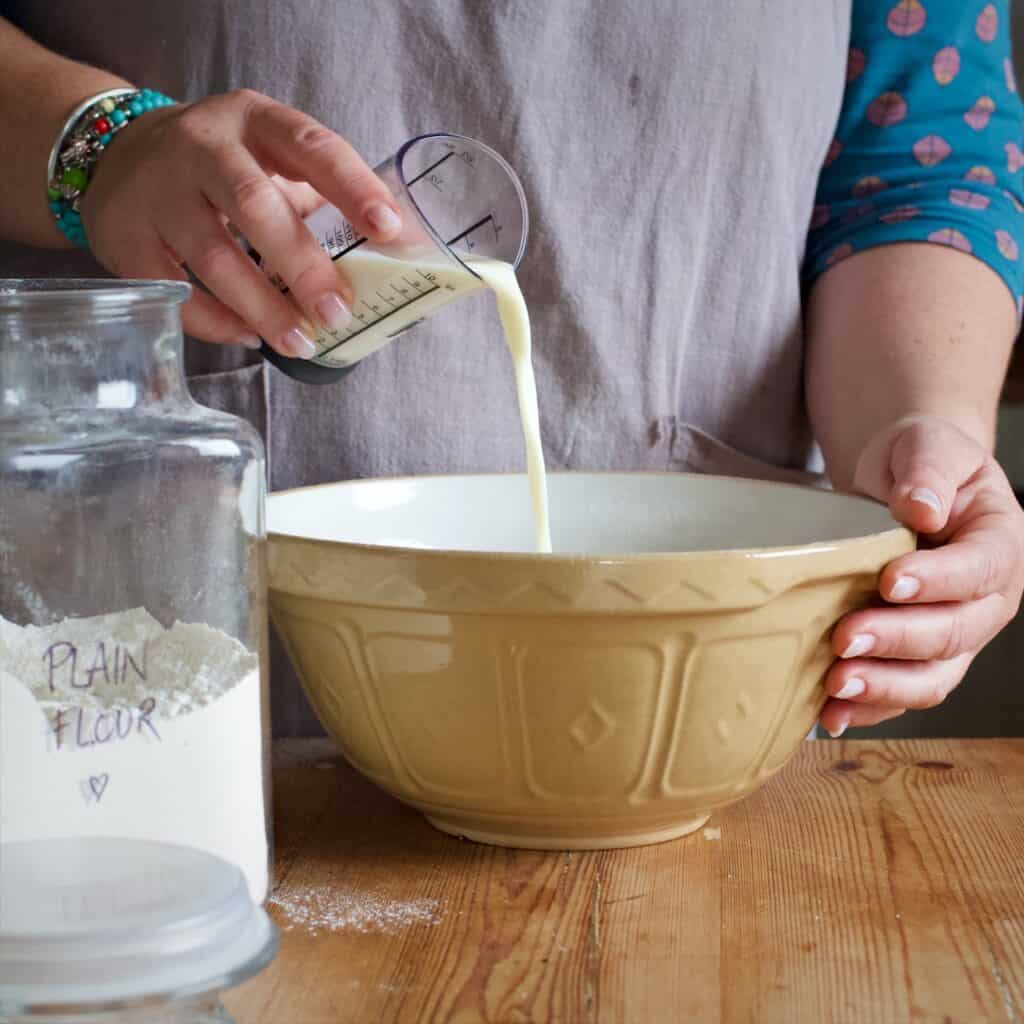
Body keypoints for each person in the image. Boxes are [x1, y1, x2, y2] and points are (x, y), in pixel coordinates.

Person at [1, 1, 1022, 739]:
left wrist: (918, 424)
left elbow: (916, 160)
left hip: (709, 702)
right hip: (142, 664)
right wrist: (95, 145)